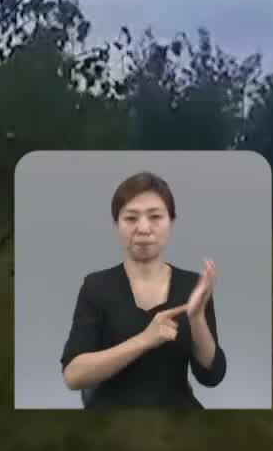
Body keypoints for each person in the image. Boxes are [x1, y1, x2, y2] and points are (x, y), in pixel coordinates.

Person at [58, 171, 226, 408]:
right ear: (116, 224)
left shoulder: (193, 286)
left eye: (155, 217)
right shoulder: (96, 286)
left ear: (172, 222)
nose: (143, 228)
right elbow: (73, 376)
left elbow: (212, 375)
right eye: (131, 218)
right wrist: (145, 340)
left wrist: (196, 318)